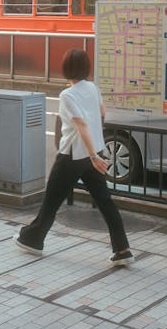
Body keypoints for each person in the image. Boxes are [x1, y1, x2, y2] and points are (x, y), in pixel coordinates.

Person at [14, 48, 134, 267]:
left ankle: (32, 239)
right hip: (93, 153)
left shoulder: (67, 95)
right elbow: (101, 113)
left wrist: (90, 154)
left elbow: (80, 124)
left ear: (66, 68)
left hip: (72, 156)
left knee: (52, 200)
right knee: (105, 201)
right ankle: (123, 249)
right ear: (86, 68)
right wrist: (95, 153)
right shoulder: (93, 88)